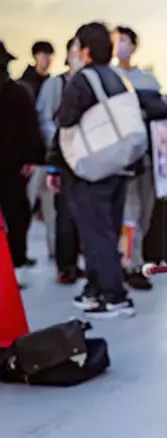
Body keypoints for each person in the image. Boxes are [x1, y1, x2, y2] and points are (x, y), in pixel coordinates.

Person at [48, 22, 135, 319]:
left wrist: (54, 166)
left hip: (90, 168)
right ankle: (97, 288)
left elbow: (64, 120)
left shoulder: (83, 79)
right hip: (117, 163)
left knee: (96, 234)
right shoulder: (117, 77)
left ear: (84, 50)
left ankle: (114, 295)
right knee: (106, 231)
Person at [113, 26, 163, 291]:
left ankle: (134, 257)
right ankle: (130, 263)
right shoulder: (111, 76)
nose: (120, 45)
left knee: (145, 210)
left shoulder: (147, 78)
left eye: (124, 40)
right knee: (129, 212)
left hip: (149, 157)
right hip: (124, 158)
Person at [37, 37, 83, 283]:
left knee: (81, 214)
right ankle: (65, 266)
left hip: (85, 160)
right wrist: (59, 144)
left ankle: (75, 262)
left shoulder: (89, 83)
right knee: (64, 214)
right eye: (74, 51)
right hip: (63, 158)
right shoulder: (56, 84)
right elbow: (45, 119)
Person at [0, 41, 45, 283]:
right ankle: (16, 263)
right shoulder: (18, 92)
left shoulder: (19, 92)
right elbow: (30, 129)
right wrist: (31, 158)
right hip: (13, 165)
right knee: (17, 215)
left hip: (13, 164)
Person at [20, 40, 56, 261]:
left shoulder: (53, 83)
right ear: (35, 56)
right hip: (32, 159)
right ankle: (20, 254)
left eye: (49, 55)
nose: (46, 59)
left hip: (49, 157)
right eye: (43, 54)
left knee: (52, 210)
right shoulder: (25, 85)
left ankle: (55, 251)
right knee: (25, 207)